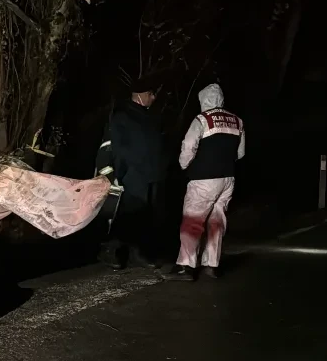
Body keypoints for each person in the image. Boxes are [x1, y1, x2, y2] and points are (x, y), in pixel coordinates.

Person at [163, 83, 246, 281]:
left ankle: (185, 266)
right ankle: (211, 265)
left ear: (203, 100)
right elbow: (241, 153)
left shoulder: (202, 119)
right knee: (217, 221)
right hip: (228, 178)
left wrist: (185, 166)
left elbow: (188, 146)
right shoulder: (237, 121)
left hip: (203, 179)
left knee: (193, 220)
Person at [95, 79, 167, 269]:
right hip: (133, 175)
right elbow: (118, 148)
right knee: (128, 216)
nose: (154, 97)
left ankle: (138, 254)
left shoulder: (149, 116)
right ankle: (109, 250)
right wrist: (120, 173)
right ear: (140, 95)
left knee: (145, 217)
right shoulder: (123, 116)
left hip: (151, 174)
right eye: (151, 94)